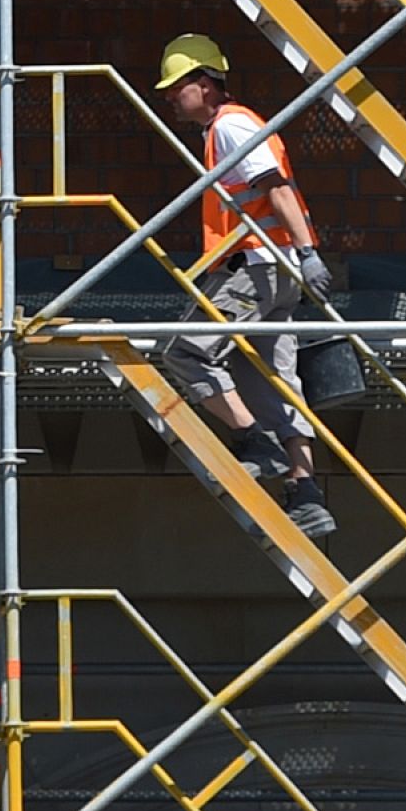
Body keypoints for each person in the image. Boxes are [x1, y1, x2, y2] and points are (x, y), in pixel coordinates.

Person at [155, 33, 337, 539]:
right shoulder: (229, 127)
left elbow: (275, 187)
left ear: (206, 84)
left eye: (178, 86)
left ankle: (255, 442)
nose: (171, 96)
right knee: (274, 379)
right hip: (276, 271)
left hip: (256, 265)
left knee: (186, 352)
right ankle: (305, 492)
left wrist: (306, 251)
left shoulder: (231, 125)